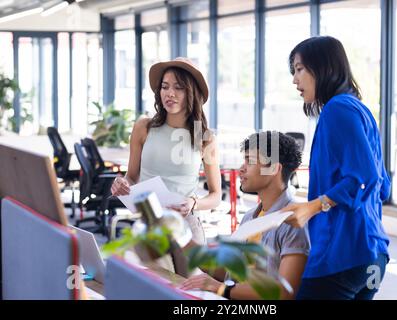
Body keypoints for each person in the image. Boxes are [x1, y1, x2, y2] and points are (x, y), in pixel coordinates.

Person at [281, 36, 391, 300]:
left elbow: (363, 178)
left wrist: (313, 206)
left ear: (323, 68)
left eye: (299, 69)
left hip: (342, 254)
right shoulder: (359, 110)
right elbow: (382, 186)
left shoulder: (337, 109)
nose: (295, 79)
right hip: (373, 256)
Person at [180, 131, 310, 299]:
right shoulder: (250, 217)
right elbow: (228, 271)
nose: (241, 168)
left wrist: (221, 289)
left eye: (250, 161)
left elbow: (283, 293)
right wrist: (178, 236)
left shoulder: (293, 222)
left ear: (274, 169)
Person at [111, 57, 221, 245]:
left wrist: (194, 203)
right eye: (165, 86)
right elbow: (131, 177)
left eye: (178, 88)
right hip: (149, 225)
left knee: (187, 276)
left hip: (186, 229)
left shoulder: (204, 137)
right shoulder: (143, 127)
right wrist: (120, 183)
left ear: (191, 93)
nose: (169, 93)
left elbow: (216, 196)